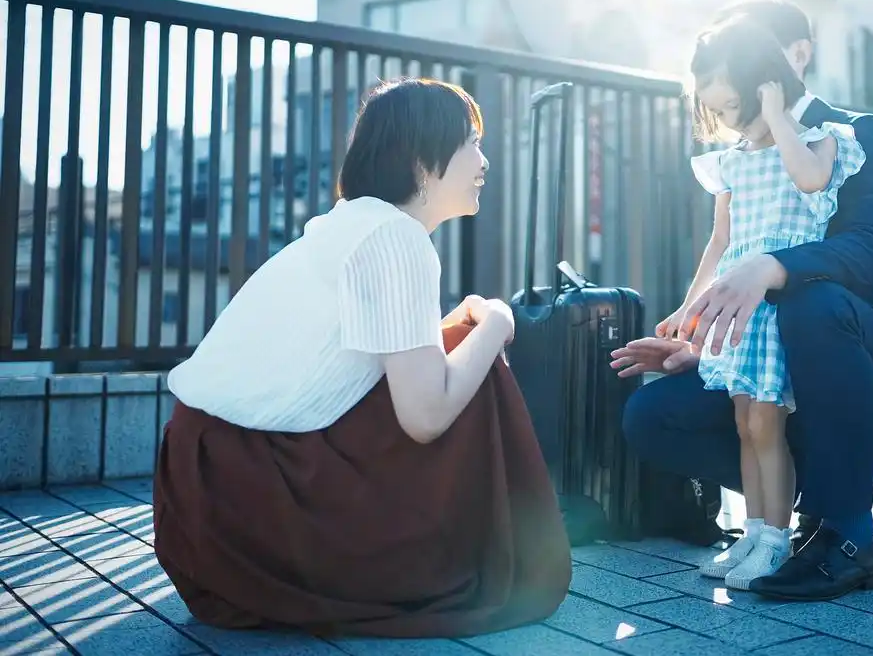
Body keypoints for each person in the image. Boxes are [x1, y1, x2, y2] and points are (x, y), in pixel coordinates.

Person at [152, 78, 571, 638]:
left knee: (455, 345)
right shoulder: (394, 237)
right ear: (421, 159)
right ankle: (490, 558)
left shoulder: (349, 223)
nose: (484, 161)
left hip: (204, 503)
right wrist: (497, 320)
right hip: (247, 502)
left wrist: (460, 329)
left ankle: (453, 551)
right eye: (472, 143)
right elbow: (425, 416)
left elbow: (377, 363)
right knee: (480, 363)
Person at [612, 0, 873, 601]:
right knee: (652, 414)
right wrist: (698, 336)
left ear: (794, 55)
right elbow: (724, 243)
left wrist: (773, 266)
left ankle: (847, 536)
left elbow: (872, 248)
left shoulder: (852, 134)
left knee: (812, 302)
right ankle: (776, 521)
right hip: (769, 354)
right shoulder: (737, 156)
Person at [659, 16, 867, 589]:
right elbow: (720, 242)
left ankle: (777, 540)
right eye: (717, 109)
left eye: (732, 105)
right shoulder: (731, 160)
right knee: (744, 421)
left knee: (767, 422)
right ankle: (753, 532)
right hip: (738, 311)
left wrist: (778, 115)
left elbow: (811, 180)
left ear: (762, 84)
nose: (727, 119)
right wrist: (690, 308)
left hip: (779, 305)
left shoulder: (820, 138)